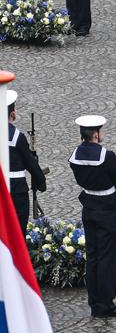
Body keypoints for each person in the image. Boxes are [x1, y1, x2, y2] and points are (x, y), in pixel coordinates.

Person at [68, 115, 116, 318]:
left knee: (93, 256)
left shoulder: (75, 155)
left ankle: (94, 301)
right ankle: (106, 302)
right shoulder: (107, 155)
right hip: (107, 210)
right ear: (95, 134)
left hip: (89, 208)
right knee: (107, 257)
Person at [6, 90, 46, 234]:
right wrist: (41, 181)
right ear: (13, 113)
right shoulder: (17, 137)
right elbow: (30, 163)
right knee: (18, 233)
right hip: (17, 192)